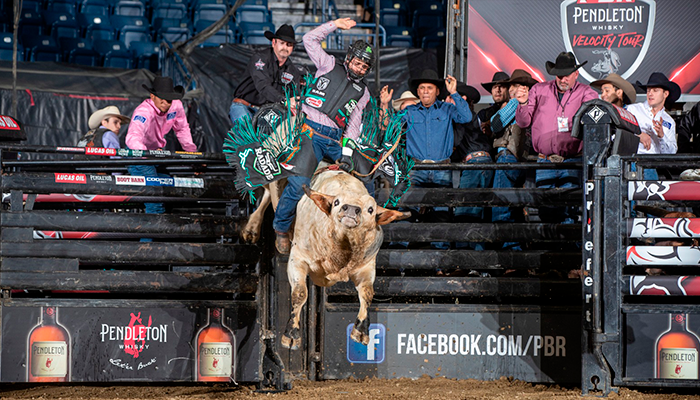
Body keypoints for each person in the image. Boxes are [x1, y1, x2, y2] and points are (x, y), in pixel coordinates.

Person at [273, 17, 375, 254]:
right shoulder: (328, 64)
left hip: (336, 140)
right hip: (310, 133)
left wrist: (348, 154)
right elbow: (309, 39)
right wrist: (335, 25)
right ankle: (280, 227)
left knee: (367, 173)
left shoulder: (363, 93)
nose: (359, 69)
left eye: (364, 67)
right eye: (357, 63)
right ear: (349, 59)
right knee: (299, 182)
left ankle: (369, 228)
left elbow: (353, 124)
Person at [515, 51, 598, 223]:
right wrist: (522, 103)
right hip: (545, 160)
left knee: (569, 208)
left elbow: (594, 116)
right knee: (546, 208)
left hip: (572, 160)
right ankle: (553, 248)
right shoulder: (539, 90)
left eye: (567, 75)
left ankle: (567, 248)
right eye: (559, 75)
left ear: (576, 74)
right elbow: (523, 123)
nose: (562, 79)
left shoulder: (586, 92)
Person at [126, 76, 197, 215]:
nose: (166, 103)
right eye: (162, 99)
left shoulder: (176, 105)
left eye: (169, 99)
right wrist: (147, 155)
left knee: (166, 191)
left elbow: (182, 128)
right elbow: (133, 137)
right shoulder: (144, 111)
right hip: (140, 157)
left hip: (155, 155)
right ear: (152, 97)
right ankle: (152, 235)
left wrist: (192, 154)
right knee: (155, 200)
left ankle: (154, 232)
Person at [489, 69, 538, 249]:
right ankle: (511, 251)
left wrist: (518, 102)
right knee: (508, 206)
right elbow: (496, 124)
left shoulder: (529, 105)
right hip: (513, 160)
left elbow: (497, 125)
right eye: (516, 86)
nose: (520, 90)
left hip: (518, 161)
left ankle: (513, 253)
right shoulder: (514, 105)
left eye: (523, 87)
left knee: (509, 206)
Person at [229, 24, 303, 126]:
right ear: (273, 43)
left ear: (292, 48)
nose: (285, 47)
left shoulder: (292, 70)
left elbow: (295, 94)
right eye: (282, 43)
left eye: (289, 44)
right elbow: (263, 85)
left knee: (274, 138)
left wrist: (297, 101)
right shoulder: (260, 59)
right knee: (247, 135)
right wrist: (284, 100)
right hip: (243, 106)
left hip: (268, 112)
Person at [627, 72, 680, 181]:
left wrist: (661, 136)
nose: (650, 94)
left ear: (665, 94)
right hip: (630, 163)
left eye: (655, 90)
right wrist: (638, 135)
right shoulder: (633, 110)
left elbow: (671, 153)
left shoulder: (669, 121)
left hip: (653, 167)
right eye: (648, 90)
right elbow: (615, 135)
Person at [478, 71, 510, 137]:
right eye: (495, 87)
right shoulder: (483, 114)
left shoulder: (517, 112)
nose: (498, 90)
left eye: (502, 86)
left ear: (509, 90)